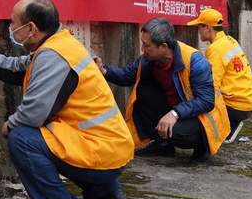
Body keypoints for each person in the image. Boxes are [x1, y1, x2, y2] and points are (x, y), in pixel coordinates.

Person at [0, 0, 134, 199]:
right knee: (42, 135)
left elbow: (34, 113)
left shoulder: (54, 56)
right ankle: (103, 194)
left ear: (31, 28)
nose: (10, 27)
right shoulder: (58, 45)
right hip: (111, 148)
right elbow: (16, 68)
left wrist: (10, 123)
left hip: (102, 153)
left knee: (21, 138)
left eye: (13, 23)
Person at [94, 18, 229, 163]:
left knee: (176, 133)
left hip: (202, 117)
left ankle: (202, 146)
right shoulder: (147, 60)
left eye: (146, 45)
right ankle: (163, 146)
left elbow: (206, 101)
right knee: (143, 91)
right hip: (177, 109)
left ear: (163, 46)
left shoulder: (195, 62)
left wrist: (175, 113)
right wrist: (104, 70)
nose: (142, 49)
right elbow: (127, 76)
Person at [187, 8, 252, 143]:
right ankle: (231, 123)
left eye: (199, 27)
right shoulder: (230, 40)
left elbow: (211, 84)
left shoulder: (215, 49)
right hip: (247, 101)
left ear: (207, 27)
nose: (198, 30)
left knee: (197, 106)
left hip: (235, 105)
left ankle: (226, 126)